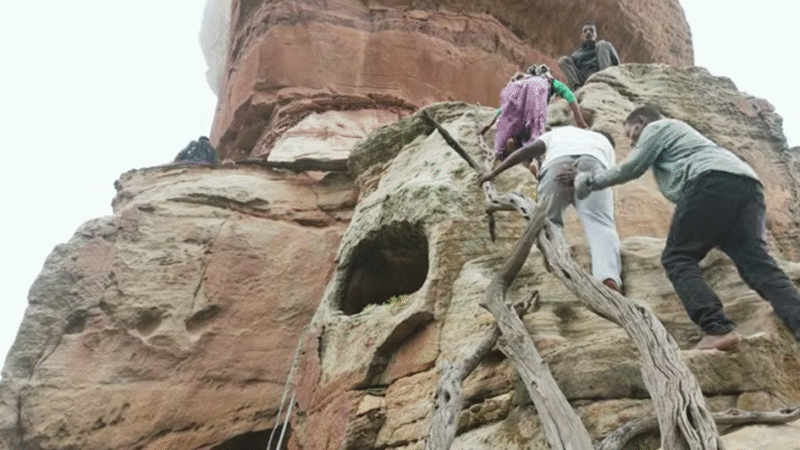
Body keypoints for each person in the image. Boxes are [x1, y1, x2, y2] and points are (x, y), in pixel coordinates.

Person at [575, 105, 800, 350]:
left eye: (632, 135)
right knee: (757, 264)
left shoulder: (658, 127)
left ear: (641, 122)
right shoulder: (688, 138)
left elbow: (632, 168)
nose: (632, 143)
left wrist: (590, 181)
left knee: (678, 257)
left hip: (711, 182)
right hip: (748, 186)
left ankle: (717, 328)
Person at [479, 126, 622, 292]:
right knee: (600, 223)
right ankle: (607, 277)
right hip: (594, 162)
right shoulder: (605, 144)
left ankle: (560, 262)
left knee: (548, 221)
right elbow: (608, 177)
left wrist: (494, 172)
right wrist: (581, 175)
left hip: (556, 164)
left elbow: (528, 150)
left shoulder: (560, 131)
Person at [494, 64, 588, 169]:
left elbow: (506, 105)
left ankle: (512, 144)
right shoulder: (549, 81)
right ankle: (534, 162)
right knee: (537, 136)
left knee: (516, 133)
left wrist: (497, 120)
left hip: (516, 113)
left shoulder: (521, 80)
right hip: (534, 109)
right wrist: (581, 122)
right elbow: (570, 96)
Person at [558, 24, 620, 90]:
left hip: (601, 74)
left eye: (591, 30)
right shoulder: (576, 55)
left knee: (602, 43)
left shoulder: (604, 46)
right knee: (563, 60)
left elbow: (617, 63)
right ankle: (576, 87)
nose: (588, 32)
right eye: (585, 31)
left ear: (596, 35)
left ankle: (605, 77)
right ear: (581, 37)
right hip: (584, 80)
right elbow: (570, 71)